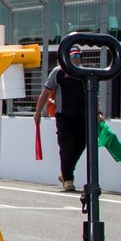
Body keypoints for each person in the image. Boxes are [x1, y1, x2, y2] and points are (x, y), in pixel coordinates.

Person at [35, 60, 88, 193]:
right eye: (73, 55)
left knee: (81, 144)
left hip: (82, 115)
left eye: (78, 55)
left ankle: (65, 172)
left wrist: (98, 113)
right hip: (64, 116)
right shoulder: (58, 71)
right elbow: (46, 93)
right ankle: (68, 179)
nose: (76, 58)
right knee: (66, 147)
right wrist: (38, 112)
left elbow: (90, 95)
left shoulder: (84, 73)